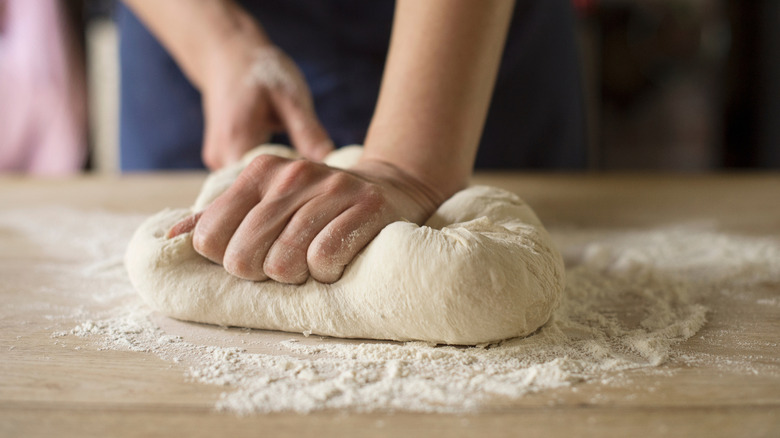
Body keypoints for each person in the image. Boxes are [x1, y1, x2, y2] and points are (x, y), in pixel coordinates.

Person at [119, 0, 584, 285]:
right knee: (207, 241)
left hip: (462, 31)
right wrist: (219, 43)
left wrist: (411, 171)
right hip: (191, 23)